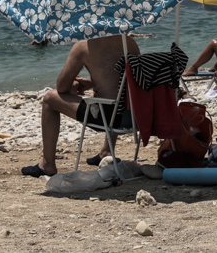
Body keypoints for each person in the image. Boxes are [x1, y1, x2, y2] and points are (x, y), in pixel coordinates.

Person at [21, 34, 140, 177]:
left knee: (49, 99)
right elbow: (123, 80)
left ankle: (47, 164)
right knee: (114, 98)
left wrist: (75, 85)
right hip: (134, 115)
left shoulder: (83, 46)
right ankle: (106, 151)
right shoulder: (129, 42)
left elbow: (62, 87)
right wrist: (93, 83)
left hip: (110, 118)